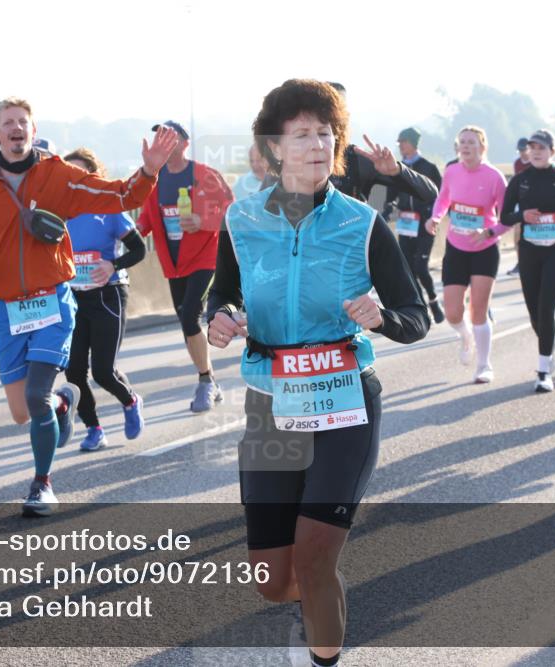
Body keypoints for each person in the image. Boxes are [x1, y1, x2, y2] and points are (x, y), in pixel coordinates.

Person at [207, 79, 429, 667]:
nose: (315, 144)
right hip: (271, 402)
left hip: (346, 397)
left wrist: (383, 318)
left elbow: (417, 317)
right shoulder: (241, 221)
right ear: (275, 147)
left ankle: (323, 655)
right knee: (273, 581)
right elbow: (221, 295)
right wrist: (222, 319)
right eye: (301, 134)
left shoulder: (360, 223)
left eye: (324, 134)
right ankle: (312, 611)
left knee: (314, 559)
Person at [0, 99, 179, 515]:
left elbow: (121, 196)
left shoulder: (58, 175)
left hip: (51, 304)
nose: (16, 128)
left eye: (23, 122)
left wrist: (149, 171)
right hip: (5, 309)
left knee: (35, 395)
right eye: (8, 123)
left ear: (32, 129)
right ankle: (64, 402)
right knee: (23, 412)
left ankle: (42, 484)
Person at [136, 120, 233, 413]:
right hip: (173, 262)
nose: (164, 142)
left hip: (205, 256)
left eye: (171, 137)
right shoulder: (153, 179)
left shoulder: (205, 175)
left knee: (190, 314)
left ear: (185, 143)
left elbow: (233, 215)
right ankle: (209, 379)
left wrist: (203, 223)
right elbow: (146, 219)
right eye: (159, 137)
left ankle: (205, 382)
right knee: (185, 320)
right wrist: (124, 235)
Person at [62, 148, 147, 451]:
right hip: (73, 298)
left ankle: (130, 400)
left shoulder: (109, 208)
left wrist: (113, 265)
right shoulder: (59, 211)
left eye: (81, 172)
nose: (75, 179)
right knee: (73, 372)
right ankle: (94, 429)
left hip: (108, 295)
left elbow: (139, 250)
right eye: (68, 173)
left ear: (94, 175)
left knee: (102, 371)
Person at [501, 129, 555, 392]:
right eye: (533, 147)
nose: (537, 152)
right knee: (534, 315)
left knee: (546, 308)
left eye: (542, 147)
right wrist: (522, 215)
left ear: (552, 151)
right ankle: (548, 345)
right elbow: (504, 215)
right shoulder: (520, 181)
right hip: (530, 251)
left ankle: (543, 371)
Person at [428, 126, 509, 383]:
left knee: (478, 311)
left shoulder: (495, 177)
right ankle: (465, 336)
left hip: (484, 250)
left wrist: (488, 232)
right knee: (452, 312)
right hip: (456, 247)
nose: (465, 146)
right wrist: (436, 218)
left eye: (471, 142)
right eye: (461, 142)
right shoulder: (451, 171)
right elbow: (443, 199)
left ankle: (484, 365)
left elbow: (507, 218)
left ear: (482, 147)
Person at [383, 127, 445, 323]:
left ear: (412, 143)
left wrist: (433, 216)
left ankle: (433, 300)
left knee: (420, 266)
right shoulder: (397, 168)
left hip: (424, 224)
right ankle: (423, 308)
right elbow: (391, 194)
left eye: (402, 142)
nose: (400, 146)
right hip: (406, 223)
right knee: (408, 269)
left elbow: (441, 196)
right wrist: (386, 211)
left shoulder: (429, 167)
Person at [506, 138, 532, 277]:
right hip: (520, 202)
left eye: (524, 150)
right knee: (517, 234)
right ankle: (520, 262)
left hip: (534, 203)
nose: (523, 153)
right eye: (520, 151)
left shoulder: (535, 161)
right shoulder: (517, 163)